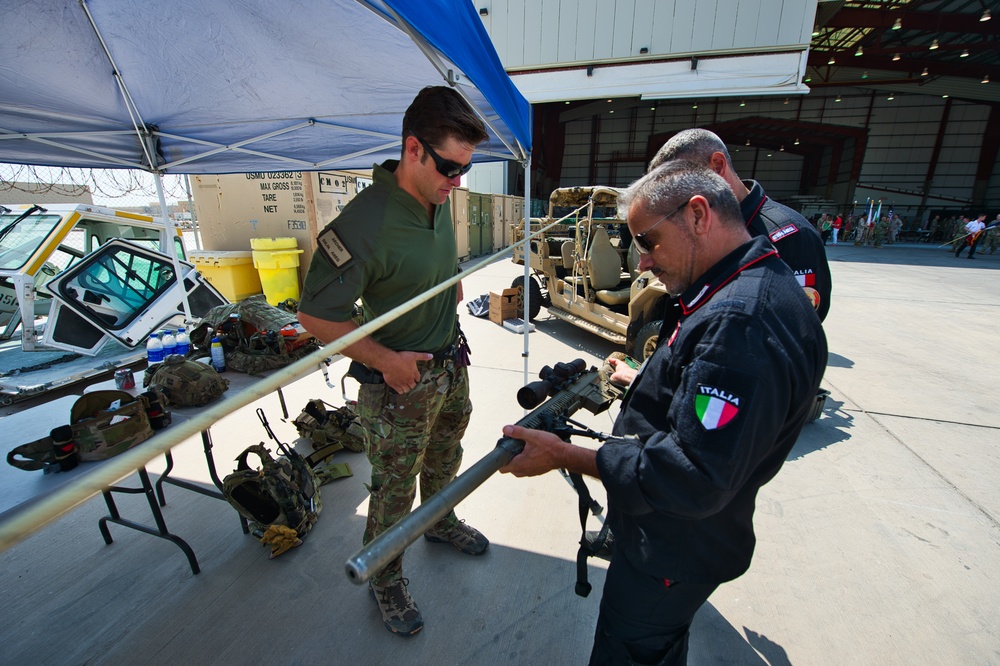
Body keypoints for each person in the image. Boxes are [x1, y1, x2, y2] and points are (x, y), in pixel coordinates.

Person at [500, 161, 827, 665]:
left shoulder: (738, 323)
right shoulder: (754, 282)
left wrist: (564, 454)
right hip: (692, 535)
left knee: (630, 650)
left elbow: (691, 476)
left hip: (673, 545)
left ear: (698, 215)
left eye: (648, 242)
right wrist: (646, 378)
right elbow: (711, 400)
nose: (644, 262)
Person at [297, 86, 490, 637]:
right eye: (450, 168)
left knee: (446, 454)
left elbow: (432, 267)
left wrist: (447, 294)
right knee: (394, 488)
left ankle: (440, 519)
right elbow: (317, 316)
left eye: (464, 171)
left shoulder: (437, 198)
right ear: (413, 150)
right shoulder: (364, 224)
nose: (457, 183)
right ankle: (384, 573)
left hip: (450, 365)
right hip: (401, 384)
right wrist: (386, 361)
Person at [648, 128, 832, 321]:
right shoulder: (698, 228)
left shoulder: (790, 237)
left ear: (717, 167)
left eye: (679, 188)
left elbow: (798, 326)